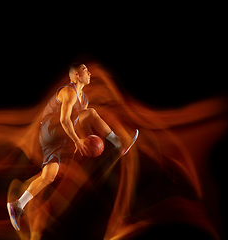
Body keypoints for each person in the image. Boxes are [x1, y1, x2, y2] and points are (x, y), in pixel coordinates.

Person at [7, 63, 138, 231]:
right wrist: (77, 141)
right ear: (76, 75)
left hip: (55, 141)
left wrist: (87, 141)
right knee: (91, 113)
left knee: (49, 176)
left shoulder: (83, 98)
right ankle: (118, 142)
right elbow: (64, 120)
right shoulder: (69, 92)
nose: (90, 73)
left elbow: (78, 123)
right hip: (51, 129)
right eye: (85, 70)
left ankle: (17, 205)